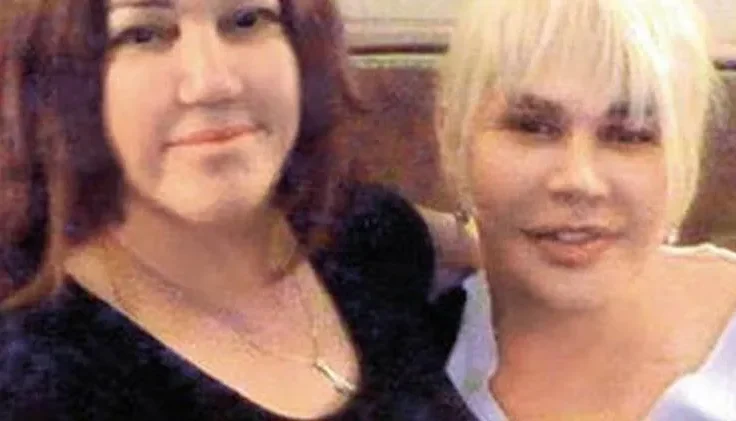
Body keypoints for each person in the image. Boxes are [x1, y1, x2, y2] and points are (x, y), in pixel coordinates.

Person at [0, 0, 477, 419]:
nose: (214, 83)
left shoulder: (362, 232)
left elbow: (485, 240)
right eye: (141, 34)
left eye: (247, 19)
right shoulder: (34, 375)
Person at [435, 0, 736, 419]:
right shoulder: (395, 345)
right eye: (533, 127)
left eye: (630, 134)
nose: (579, 180)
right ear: (453, 135)